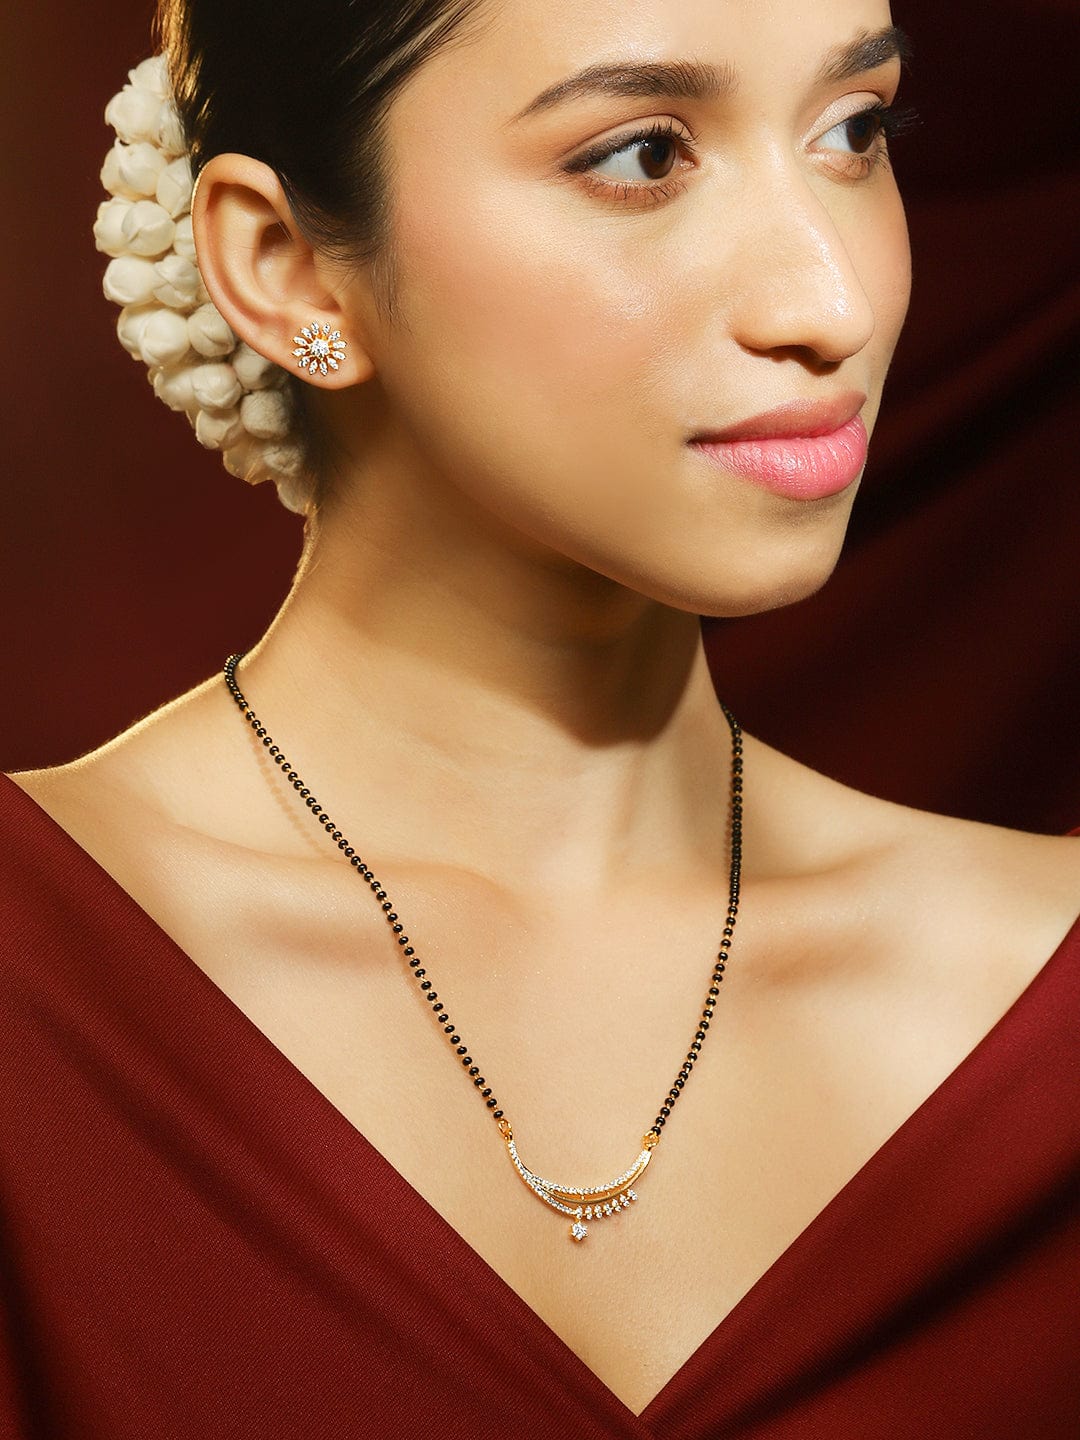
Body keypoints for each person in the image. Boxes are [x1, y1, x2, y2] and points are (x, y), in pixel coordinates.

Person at [1, 0, 1077, 1434]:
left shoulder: (1048, 1016)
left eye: (854, 131)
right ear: (285, 265)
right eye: (643, 156)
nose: (832, 304)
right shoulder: (39, 993)